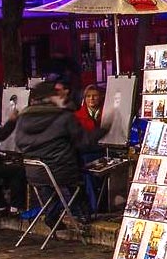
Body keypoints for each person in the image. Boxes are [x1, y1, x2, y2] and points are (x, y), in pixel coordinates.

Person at [12, 79, 106, 223]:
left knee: (50, 185)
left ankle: (52, 213)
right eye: (60, 93)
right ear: (50, 97)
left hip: (35, 173)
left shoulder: (25, 116)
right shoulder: (64, 116)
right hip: (63, 171)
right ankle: (82, 214)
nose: (66, 93)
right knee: (78, 179)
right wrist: (107, 127)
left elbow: (19, 143)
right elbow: (84, 141)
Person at [74, 84, 105, 212]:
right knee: (88, 172)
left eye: (95, 96)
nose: (91, 99)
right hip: (86, 154)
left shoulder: (105, 113)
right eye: (88, 96)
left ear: (100, 97)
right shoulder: (77, 116)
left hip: (104, 151)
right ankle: (93, 207)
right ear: (84, 98)